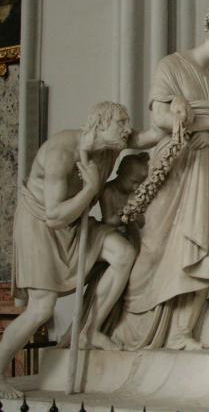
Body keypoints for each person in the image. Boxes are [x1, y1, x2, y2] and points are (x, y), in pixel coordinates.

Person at [0, 102, 162, 398]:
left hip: (76, 224)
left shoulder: (110, 146)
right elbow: (54, 216)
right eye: (121, 123)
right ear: (100, 124)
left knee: (123, 254)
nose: (127, 129)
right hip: (42, 227)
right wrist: (89, 189)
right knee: (41, 308)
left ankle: (89, 330)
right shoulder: (61, 153)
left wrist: (178, 118)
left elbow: (147, 136)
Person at [110, 8, 209, 350]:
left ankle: (181, 332)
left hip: (207, 168)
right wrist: (202, 123)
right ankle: (130, 326)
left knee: (201, 245)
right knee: (155, 244)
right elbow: (159, 117)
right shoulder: (171, 66)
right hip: (176, 165)